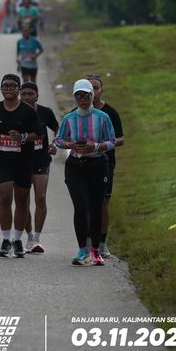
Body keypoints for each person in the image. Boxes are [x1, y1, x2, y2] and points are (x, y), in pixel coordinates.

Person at [55, 78, 116, 266]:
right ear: (75, 97)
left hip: (98, 165)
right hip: (76, 167)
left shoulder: (103, 117)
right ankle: (83, 250)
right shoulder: (69, 118)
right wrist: (70, 144)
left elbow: (112, 141)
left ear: (92, 95)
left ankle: (95, 250)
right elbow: (58, 140)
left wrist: (95, 146)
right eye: (78, 96)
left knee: (96, 208)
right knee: (81, 207)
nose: (82, 99)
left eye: (86, 95)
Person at [0, 73, 42, 258]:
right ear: (1, 89)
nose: (8, 89)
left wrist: (22, 137)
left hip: (23, 161)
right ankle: (5, 239)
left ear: (18, 89)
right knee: (5, 196)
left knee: (22, 200)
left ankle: (17, 240)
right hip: (2, 160)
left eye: (12, 86)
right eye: (5, 85)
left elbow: (38, 133)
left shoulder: (27, 111)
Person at [87, 74, 125, 258]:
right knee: (86, 202)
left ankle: (102, 242)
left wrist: (100, 145)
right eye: (89, 88)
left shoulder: (111, 113)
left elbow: (121, 139)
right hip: (83, 163)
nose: (93, 91)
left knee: (103, 202)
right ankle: (87, 241)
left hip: (105, 163)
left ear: (101, 90)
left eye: (96, 87)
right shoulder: (77, 112)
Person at [19, 82, 59, 254]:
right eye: (24, 94)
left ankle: (36, 237)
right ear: (20, 95)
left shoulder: (45, 112)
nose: (27, 97)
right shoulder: (15, 112)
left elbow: (57, 128)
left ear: (37, 96)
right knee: (24, 199)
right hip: (21, 160)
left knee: (40, 197)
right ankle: (29, 237)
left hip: (41, 159)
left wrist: (54, 143)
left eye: (31, 94)